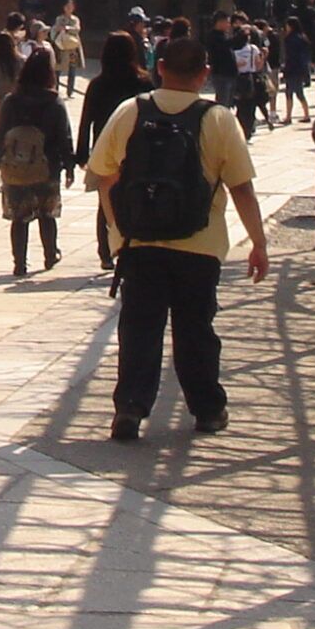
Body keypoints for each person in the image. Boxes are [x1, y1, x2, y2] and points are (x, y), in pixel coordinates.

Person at [89, 35, 269, 443]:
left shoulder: (130, 112)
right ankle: (207, 408)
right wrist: (257, 243)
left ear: (160, 67)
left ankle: (131, 408)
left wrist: (120, 227)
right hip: (199, 244)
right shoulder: (219, 119)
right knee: (196, 329)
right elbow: (242, 187)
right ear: (205, 74)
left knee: (139, 327)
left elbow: (104, 175)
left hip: (140, 244)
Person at [0, 50, 75, 278]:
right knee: (46, 214)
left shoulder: (12, 101)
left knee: (19, 217)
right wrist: (69, 166)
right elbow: (64, 136)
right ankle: (50, 254)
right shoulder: (54, 101)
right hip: (47, 165)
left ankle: (19, 262)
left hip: (16, 165)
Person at [75, 32, 150, 272]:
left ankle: (106, 252)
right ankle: (133, 245)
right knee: (135, 196)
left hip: (104, 147)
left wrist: (81, 154)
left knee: (105, 199)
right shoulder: (143, 82)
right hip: (137, 147)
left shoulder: (98, 84)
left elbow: (86, 120)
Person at [231, 25, 266, 138]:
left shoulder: (233, 50)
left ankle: (239, 128)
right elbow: (258, 66)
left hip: (237, 79)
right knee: (250, 106)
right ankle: (248, 130)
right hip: (250, 78)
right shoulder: (253, 49)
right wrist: (264, 57)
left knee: (239, 106)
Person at [280, 13, 315, 126]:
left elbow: (290, 56)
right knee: (298, 92)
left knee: (291, 92)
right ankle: (305, 114)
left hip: (292, 68)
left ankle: (291, 116)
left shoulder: (290, 39)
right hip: (300, 68)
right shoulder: (302, 38)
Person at [52, 0, 84, 96]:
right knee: (58, 68)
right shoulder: (59, 19)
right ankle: (56, 88)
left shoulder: (75, 19)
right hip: (61, 45)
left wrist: (67, 28)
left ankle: (70, 91)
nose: (69, 8)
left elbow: (77, 29)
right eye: (67, 6)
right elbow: (56, 28)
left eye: (71, 6)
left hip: (72, 46)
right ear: (64, 7)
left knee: (72, 68)